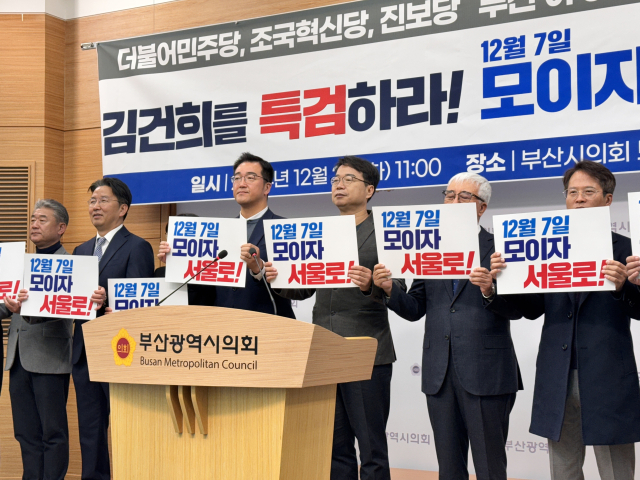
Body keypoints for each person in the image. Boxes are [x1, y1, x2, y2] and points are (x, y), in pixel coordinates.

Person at [487, 160, 640, 480]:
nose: (579, 198)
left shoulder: (628, 249)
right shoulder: (544, 248)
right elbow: (530, 308)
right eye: (572, 192)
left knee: (617, 471)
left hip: (608, 375)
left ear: (608, 200)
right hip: (556, 375)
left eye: (588, 192)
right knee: (563, 469)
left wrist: (623, 287)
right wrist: (498, 285)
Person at [372, 172, 522, 480]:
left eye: (463, 197)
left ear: (481, 207)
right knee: (449, 467)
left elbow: (521, 309)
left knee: (490, 466)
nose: (453, 201)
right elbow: (415, 308)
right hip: (439, 373)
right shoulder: (429, 249)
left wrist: (489, 290)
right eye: (449, 195)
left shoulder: (500, 248)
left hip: (487, 372)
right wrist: (389, 289)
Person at [265, 155, 404, 480]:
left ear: (369, 190)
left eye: (348, 179)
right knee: (333, 447)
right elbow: (302, 290)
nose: (338, 185)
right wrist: (274, 277)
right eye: (335, 180)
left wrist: (372, 285)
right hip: (324, 350)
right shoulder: (323, 232)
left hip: (365, 352)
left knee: (371, 449)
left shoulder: (385, 231)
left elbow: (398, 287)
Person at [0, 199, 104, 480]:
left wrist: (29, 309)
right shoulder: (17, 264)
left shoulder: (73, 266)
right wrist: (9, 306)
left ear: (61, 228)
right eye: (33, 219)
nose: (34, 224)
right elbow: (4, 304)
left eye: (42, 220)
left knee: (53, 433)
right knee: (25, 432)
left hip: (50, 357)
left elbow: (72, 310)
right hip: (17, 357)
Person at [72, 178, 155, 480]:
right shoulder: (81, 250)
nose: (95, 206)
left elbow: (140, 303)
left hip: (121, 351)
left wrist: (110, 300)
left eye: (103, 200)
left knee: (125, 427)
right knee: (90, 429)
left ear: (122, 209)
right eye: (92, 201)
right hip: (85, 350)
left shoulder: (137, 246)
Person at [158, 152, 294, 318]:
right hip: (224, 324)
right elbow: (206, 288)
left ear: (267, 187)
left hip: (269, 323)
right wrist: (178, 262)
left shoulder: (285, 229)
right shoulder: (220, 231)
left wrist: (260, 270)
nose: (241, 184)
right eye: (237, 178)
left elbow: (297, 288)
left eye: (250, 178)